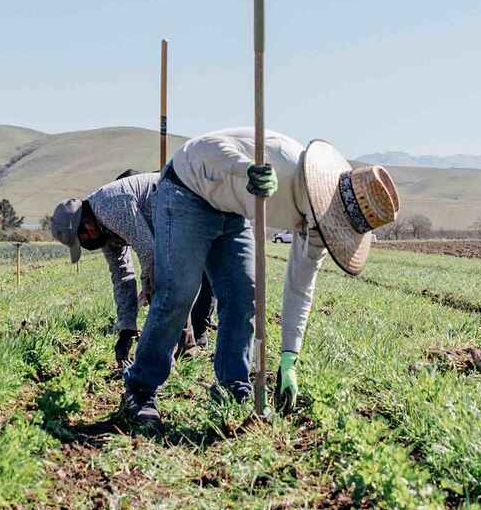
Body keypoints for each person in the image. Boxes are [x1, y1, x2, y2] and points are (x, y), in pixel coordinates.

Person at [108, 128, 399, 430]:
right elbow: (207, 147)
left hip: (234, 213)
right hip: (188, 191)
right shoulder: (282, 159)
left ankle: (232, 386)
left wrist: (289, 359)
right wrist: (244, 169)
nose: (329, 226)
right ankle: (140, 390)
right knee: (179, 292)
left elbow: (300, 289)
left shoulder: (318, 231)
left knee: (244, 297)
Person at [50, 175, 222, 369]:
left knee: (164, 286)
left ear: (85, 224)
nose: (85, 244)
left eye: (80, 239)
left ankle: (162, 361)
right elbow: (122, 277)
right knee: (165, 286)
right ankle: (185, 350)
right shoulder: (103, 230)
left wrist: (147, 285)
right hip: (170, 223)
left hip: (188, 204)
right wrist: (127, 329)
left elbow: (148, 250)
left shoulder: (109, 208)